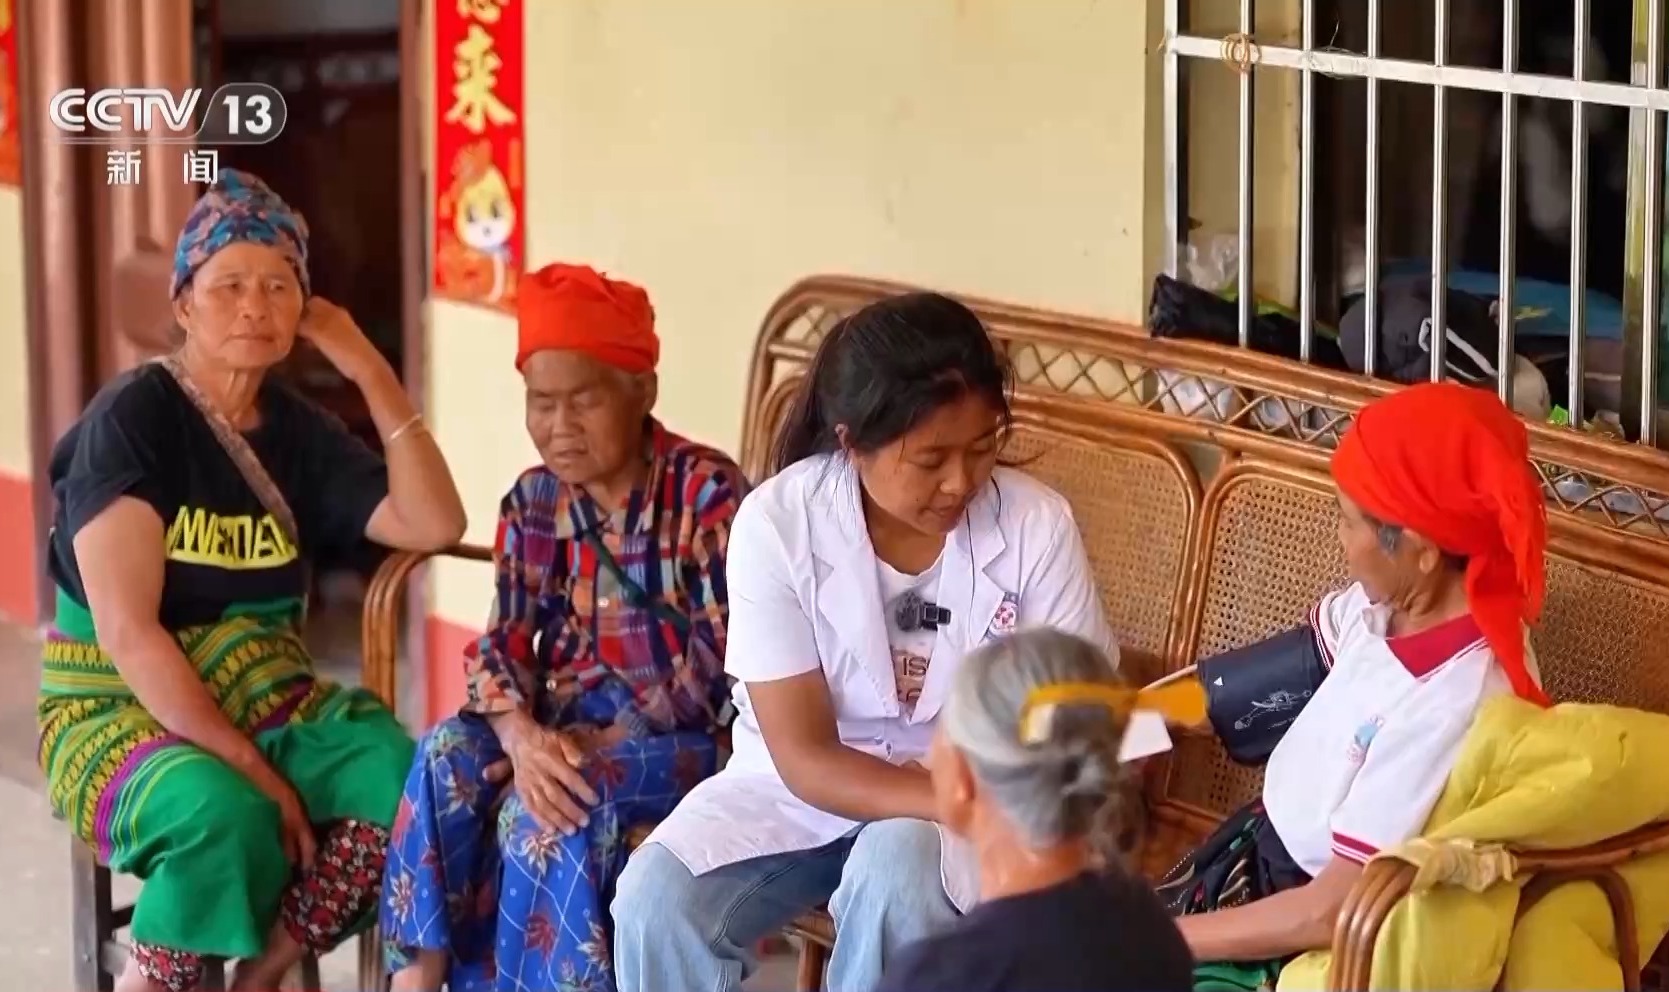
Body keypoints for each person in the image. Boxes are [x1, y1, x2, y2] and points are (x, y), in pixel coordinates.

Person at [610, 292, 1126, 992]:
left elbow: (1085, 714)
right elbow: (805, 758)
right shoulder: (779, 524)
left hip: (978, 795)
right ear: (851, 444)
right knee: (656, 901)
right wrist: (948, 796)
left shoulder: (1036, 526)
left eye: (982, 448)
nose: (961, 482)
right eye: (931, 459)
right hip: (799, 793)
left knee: (898, 868)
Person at [38, 169, 467, 992]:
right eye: (228, 285)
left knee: (402, 783)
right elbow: (128, 632)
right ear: (184, 304)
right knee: (223, 813)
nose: (253, 306)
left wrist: (367, 367)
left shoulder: (300, 433)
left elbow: (434, 522)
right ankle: (154, 977)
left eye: (278, 286)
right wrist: (256, 770)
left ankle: (263, 972)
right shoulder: (134, 419)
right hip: (120, 706)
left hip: (267, 700)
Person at [380, 262, 750, 992]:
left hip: (687, 740)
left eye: (583, 401)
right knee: (445, 754)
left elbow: (724, 661)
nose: (559, 426)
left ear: (642, 391)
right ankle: (415, 983)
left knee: (548, 807)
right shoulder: (534, 501)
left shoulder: (705, 493)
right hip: (559, 723)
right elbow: (505, 641)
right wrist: (520, 735)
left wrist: (602, 739)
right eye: (541, 403)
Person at [1147, 381, 1550, 989]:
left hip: (1296, 937)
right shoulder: (1386, 609)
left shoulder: (1457, 703)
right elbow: (1242, 693)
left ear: (1419, 550)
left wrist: (1156, 938)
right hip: (1246, 859)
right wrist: (1117, 722)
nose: (1339, 538)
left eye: (1346, 519)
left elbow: (1331, 909)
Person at [875, 627, 1196, 992]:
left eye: (944, 732)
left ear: (964, 777)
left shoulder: (936, 978)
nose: (930, 754)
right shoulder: (1152, 930)